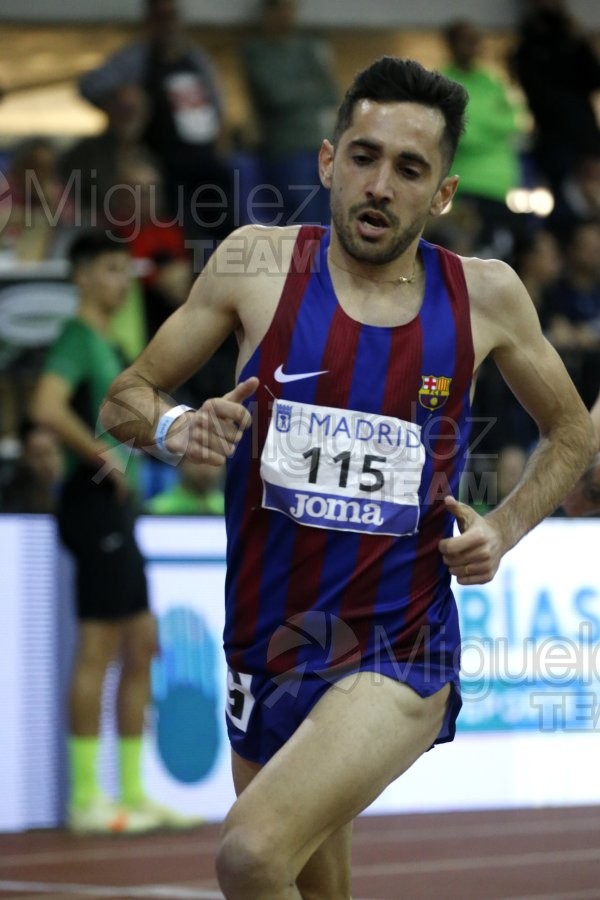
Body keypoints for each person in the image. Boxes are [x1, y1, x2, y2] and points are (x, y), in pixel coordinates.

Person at [100, 57, 594, 896]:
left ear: (441, 194)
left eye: (409, 168)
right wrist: (182, 427)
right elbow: (126, 398)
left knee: (249, 854)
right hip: (266, 647)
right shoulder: (255, 265)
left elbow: (572, 435)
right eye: (363, 156)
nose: (379, 184)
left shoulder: (487, 297)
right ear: (327, 162)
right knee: (312, 884)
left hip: (400, 648)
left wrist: (501, 531)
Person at [29, 231, 201, 835]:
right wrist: (98, 457)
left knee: (141, 645)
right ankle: (85, 800)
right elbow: (48, 407)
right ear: (79, 276)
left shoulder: (110, 342)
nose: (119, 279)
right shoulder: (77, 338)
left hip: (116, 507)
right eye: (106, 269)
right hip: (92, 504)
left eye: (121, 269)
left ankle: (130, 792)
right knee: (100, 648)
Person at [79, 0, 232, 248]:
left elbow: (217, 104)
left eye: (173, 17)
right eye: (161, 17)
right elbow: (89, 85)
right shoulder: (136, 57)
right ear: (149, 22)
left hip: (206, 159)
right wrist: (121, 99)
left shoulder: (195, 58)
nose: (168, 24)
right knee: (179, 229)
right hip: (164, 160)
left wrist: (221, 139)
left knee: (224, 224)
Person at [242, 0, 339, 227]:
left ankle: (322, 261)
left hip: (320, 146)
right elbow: (275, 96)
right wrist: (310, 89)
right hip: (286, 150)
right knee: (305, 221)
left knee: (329, 219)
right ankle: (306, 262)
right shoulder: (257, 51)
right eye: (283, 9)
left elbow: (330, 93)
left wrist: (296, 90)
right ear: (269, 12)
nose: (289, 15)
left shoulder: (307, 47)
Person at [441, 19, 526, 260]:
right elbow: (459, 134)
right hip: (467, 186)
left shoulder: (491, 81)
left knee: (501, 257)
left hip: (500, 187)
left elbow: (513, 122)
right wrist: (491, 127)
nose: (472, 46)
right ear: (451, 44)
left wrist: (476, 122)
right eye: (466, 41)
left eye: (475, 41)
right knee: (469, 257)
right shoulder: (442, 81)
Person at [511, 0, 600, 194]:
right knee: (564, 205)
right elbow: (537, 97)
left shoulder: (573, 38)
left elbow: (594, 78)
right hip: (555, 141)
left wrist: (581, 40)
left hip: (583, 137)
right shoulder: (529, 46)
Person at [1, 419, 62, 513]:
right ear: (24, 458)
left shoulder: (70, 492)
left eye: (52, 453)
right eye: (39, 456)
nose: (47, 464)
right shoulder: (10, 496)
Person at [145, 458, 224, 515]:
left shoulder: (227, 508)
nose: (206, 468)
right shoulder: (156, 510)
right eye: (198, 460)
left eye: (214, 461)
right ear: (180, 463)